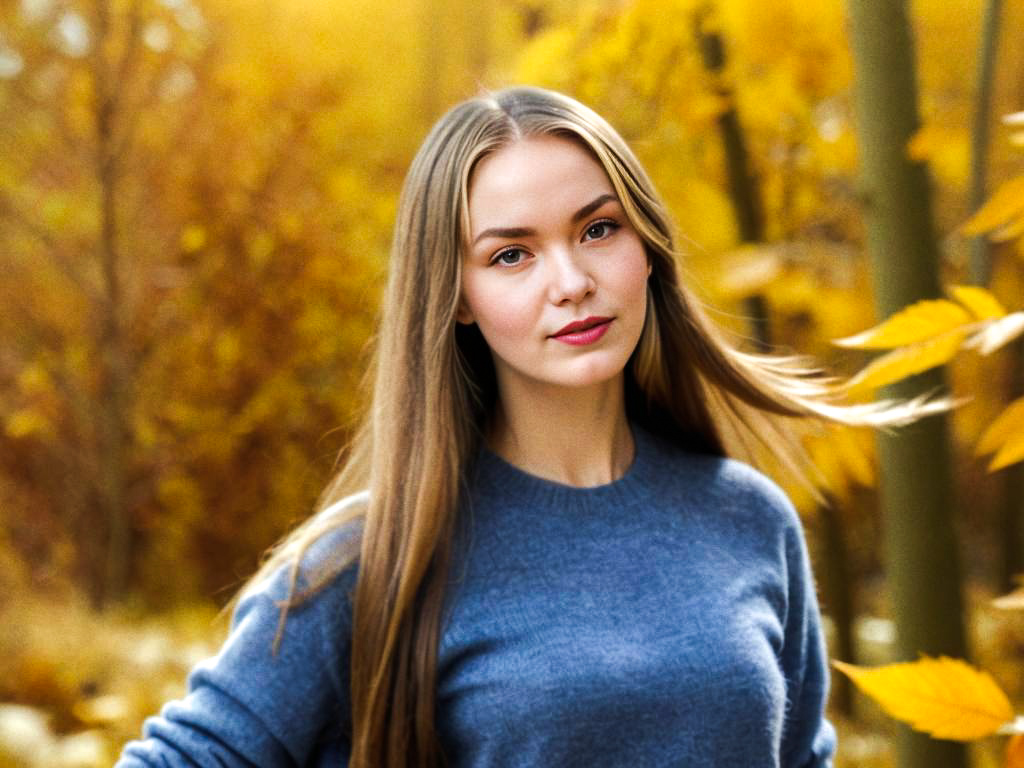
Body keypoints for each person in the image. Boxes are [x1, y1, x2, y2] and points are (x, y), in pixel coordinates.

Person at [116, 86, 937, 768]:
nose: (572, 281)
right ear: (458, 299)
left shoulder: (750, 521)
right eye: (512, 254)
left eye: (598, 229)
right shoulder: (373, 560)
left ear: (646, 246)